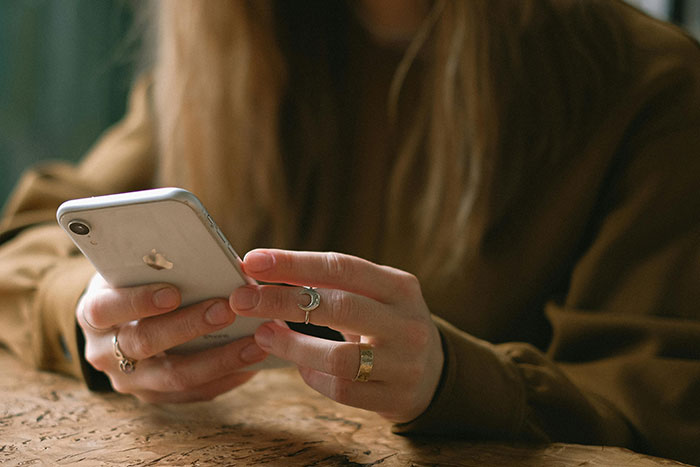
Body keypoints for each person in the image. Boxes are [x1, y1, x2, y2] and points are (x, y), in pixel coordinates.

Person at [1, 0, 699, 464]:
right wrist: (95, 313)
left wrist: (454, 379)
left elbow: (658, 409)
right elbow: (28, 244)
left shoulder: (650, 87)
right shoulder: (239, 50)